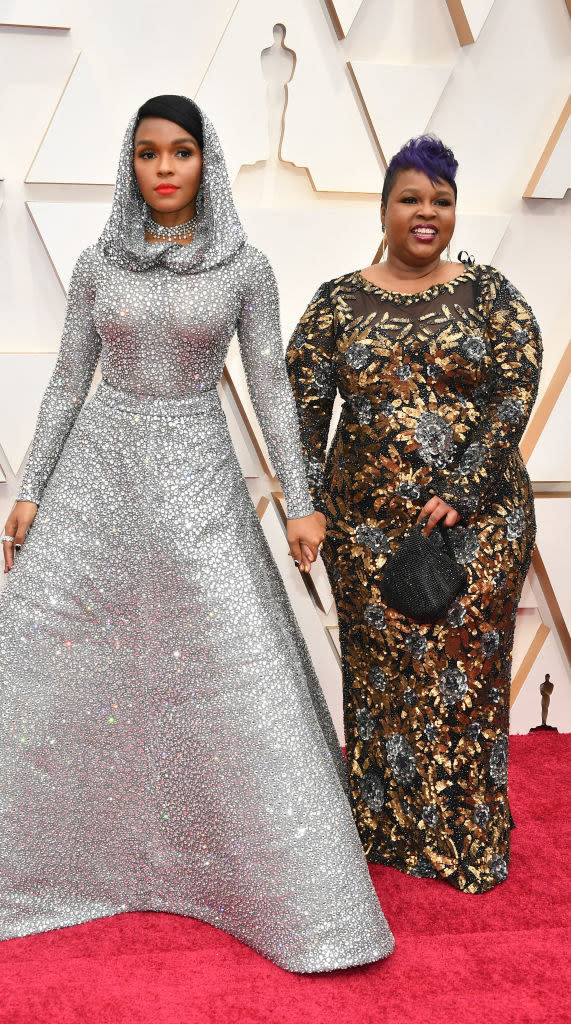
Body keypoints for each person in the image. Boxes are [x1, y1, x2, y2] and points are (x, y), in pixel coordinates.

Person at [0, 96, 393, 971]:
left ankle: (264, 887)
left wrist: (300, 498)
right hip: (98, 473)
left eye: (183, 152)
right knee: (53, 662)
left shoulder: (245, 267)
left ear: (208, 161)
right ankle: (32, 861)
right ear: (131, 165)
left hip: (198, 473)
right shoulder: (97, 264)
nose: (165, 168)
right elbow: (64, 384)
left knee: (231, 664)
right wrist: (31, 488)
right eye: (149, 153)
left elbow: (271, 389)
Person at [286, 135, 541, 894]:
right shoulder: (336, 302)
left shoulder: (490, 294)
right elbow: (300, 410)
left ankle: (465, 839)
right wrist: (303, 506)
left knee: (464, 676)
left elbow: (513, 394)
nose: (426, 213)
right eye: (410, 198)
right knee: (382, 679)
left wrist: (462, 490)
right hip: (364, 531)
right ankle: (385, 833)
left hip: (480, 526)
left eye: (441, 199)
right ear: (384, 207)